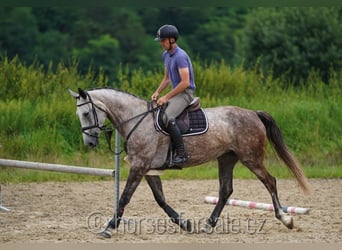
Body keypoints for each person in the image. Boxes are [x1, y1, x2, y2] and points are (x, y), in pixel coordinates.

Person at [152, 24, 196, 165]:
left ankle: (182, 154)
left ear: (172, 40)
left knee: (168, 117)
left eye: (163, 40)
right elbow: (167, 78)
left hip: (185, 93)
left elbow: (185, 82)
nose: (161, 43)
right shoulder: (166, 55)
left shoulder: (180, 56)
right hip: (176, 93)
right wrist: (158, 92)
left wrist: (166, 97)